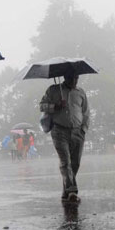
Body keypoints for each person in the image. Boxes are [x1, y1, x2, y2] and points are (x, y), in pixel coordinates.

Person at [40, 69, 89, 203]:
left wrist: (83, 129)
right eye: (71, 78)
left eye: (76, 78)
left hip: (78, 131)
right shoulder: (53, 90)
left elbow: (85, 112)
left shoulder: (81, 92)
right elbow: (42, 106)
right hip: (59, 131)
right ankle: (72, 191)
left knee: (75, 163)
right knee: (65, 162)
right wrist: (55, 106)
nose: (74, 81)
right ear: (65, 77)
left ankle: (66, 190)